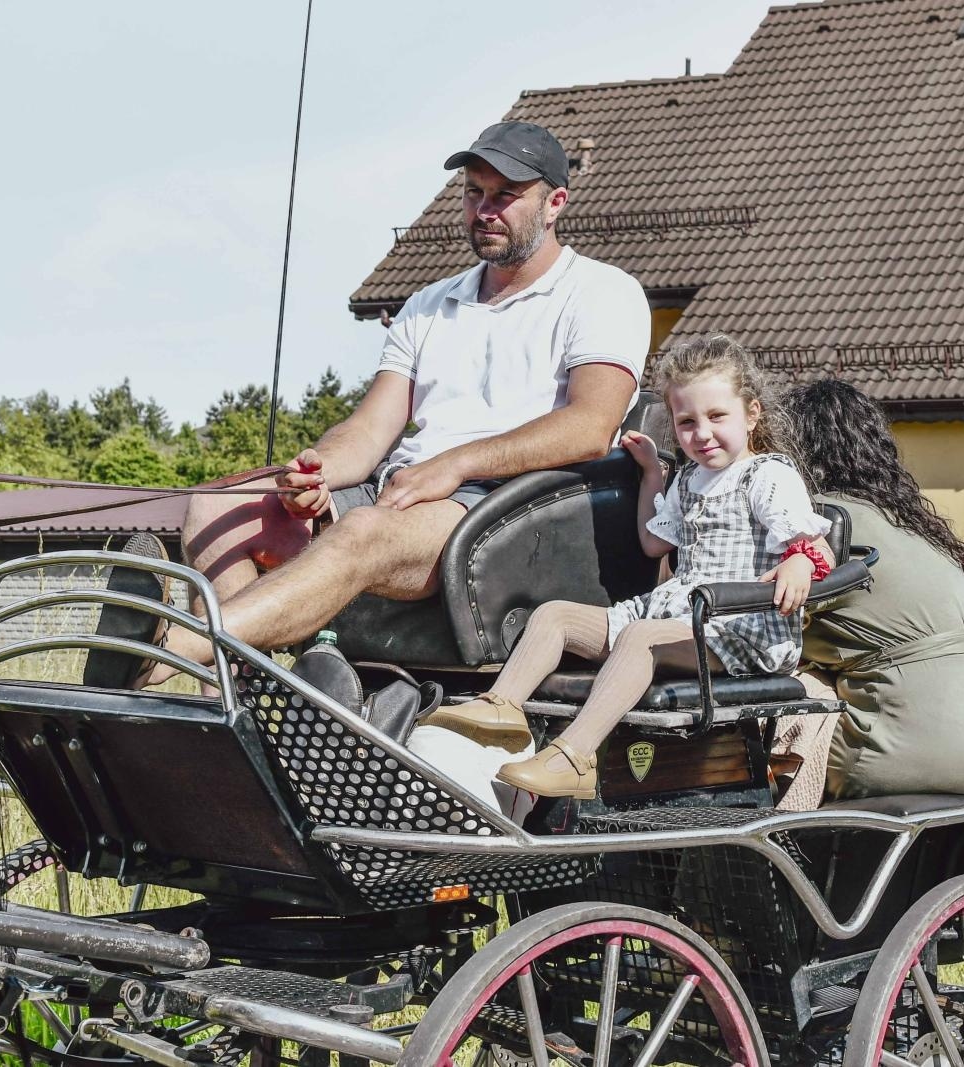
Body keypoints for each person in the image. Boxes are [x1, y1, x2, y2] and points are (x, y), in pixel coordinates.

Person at [143, 121, 651, 682]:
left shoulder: (602, 292)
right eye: (474, 192)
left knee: (362, 530)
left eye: (505, 195)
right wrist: (315, 472)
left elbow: (590, 425)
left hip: (508, 509)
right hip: (407, 492)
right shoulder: (429, 304)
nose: (484, 210)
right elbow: (369, 430)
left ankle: (171, 650)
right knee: (218, 506)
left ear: (554, 203)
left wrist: (455, 465)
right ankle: (238, 692)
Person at [425, 335, 835, 798]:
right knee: (556, 616)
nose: (702, 434)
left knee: (641, 638)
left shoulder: (768, 475)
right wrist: (653, 475)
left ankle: (576, 757)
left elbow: (818, 547)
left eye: (717, 417)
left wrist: (799, 563)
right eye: (686, 422)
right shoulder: (691, 479)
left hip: (738, 629)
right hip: (681, 616)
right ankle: (502, 708)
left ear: (752, 413)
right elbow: (653, 542)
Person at [783, 379, 964, 800]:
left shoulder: (820, 525)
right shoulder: (909, 523)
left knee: (761, 744)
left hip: (925, 749)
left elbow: (766, 634)